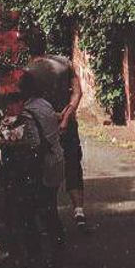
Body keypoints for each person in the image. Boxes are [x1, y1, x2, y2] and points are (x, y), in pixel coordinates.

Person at [0, 70, 65, 268]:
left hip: (39, 169)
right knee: (49, 211)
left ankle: (37, 262)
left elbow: (32, 143)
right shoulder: (44, 104)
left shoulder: (26, 113)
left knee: (28, 215)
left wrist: (8, 133)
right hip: (55, 164)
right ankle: (57, 256)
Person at [25, 29, 88, 229]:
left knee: (43, 167)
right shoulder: (64, 63)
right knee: (72, 165)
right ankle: (79, 211)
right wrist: (66, 116)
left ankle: (49, 214)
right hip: (67, 123)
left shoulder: (27, 71)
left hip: (42, 126)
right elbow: (77, 93)